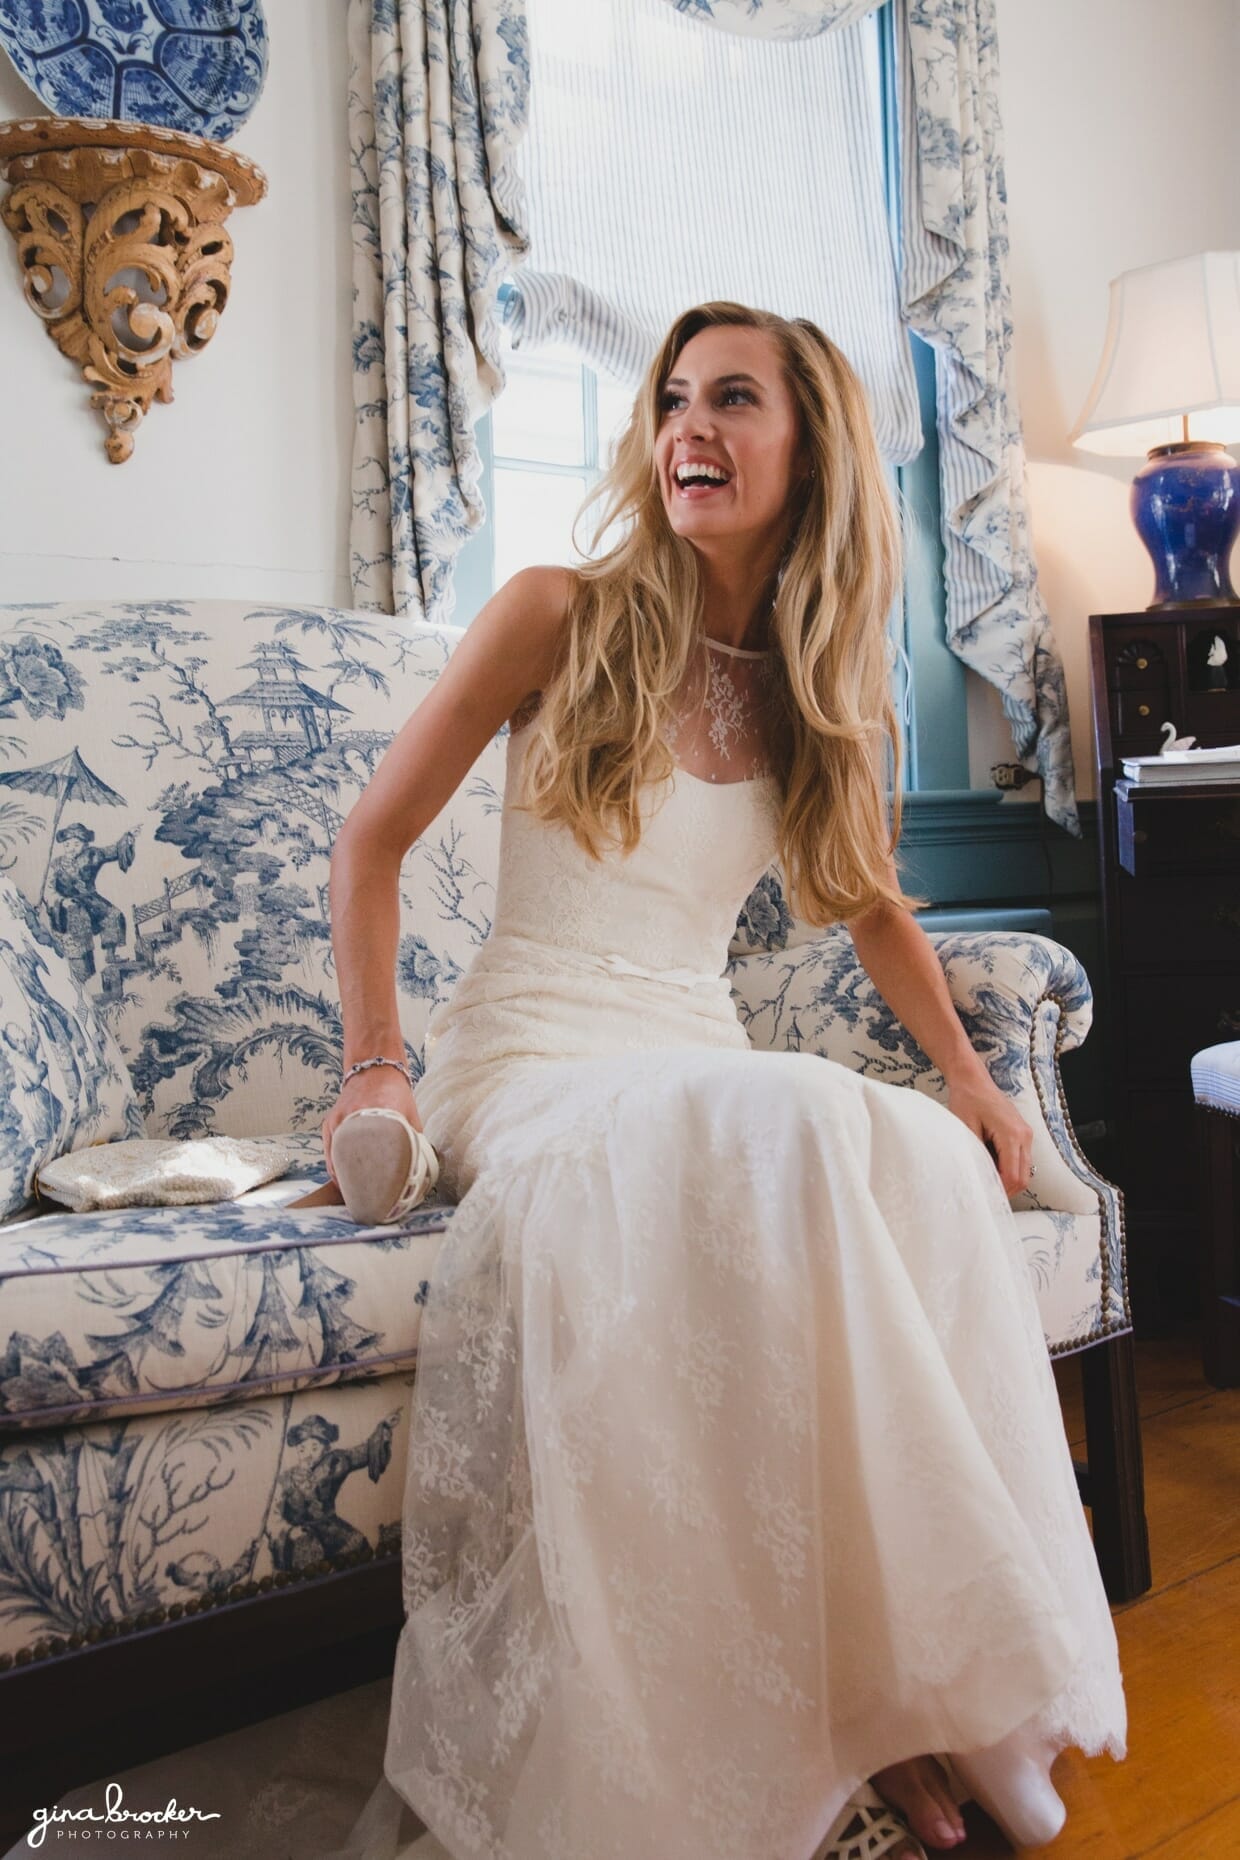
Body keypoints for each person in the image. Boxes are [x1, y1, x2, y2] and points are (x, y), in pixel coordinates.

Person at [321, 301, 1126, 1860]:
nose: (688, 424)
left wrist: (970, 1082)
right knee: (810, 1112)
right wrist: (379, 1071)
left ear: (810, 444)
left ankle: (900, 1688)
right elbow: (370, 843)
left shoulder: (818, 687)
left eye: (734, 399)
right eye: (673, 397)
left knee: (904, 1144)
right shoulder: (558, 610)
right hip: (538, 1058)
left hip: (692, 1057)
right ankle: (861, 1711)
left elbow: (875, 904)